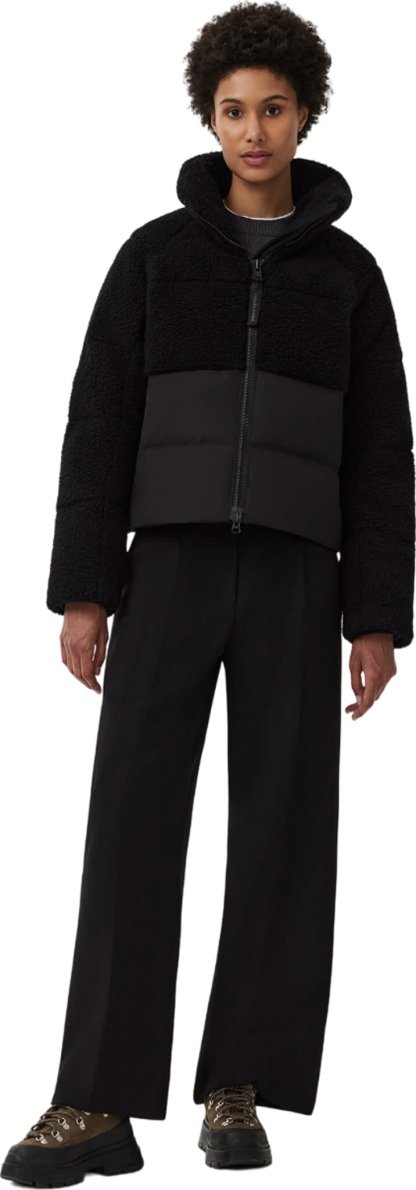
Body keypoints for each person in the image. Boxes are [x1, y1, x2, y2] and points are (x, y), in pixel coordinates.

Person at [2, 0, 414, 1182]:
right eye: (233, 110)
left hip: (294, 571)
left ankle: (240, 1082)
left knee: (283, 825)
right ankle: (94, 1098)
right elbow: (97, 420)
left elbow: (380, 454)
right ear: (208, 116)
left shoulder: (347, 276)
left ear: (304, 113)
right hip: (170, 563)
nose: (252, 130)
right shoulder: (154, 257)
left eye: (272, 108)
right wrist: (87, 590)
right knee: (130, 821)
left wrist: (374, 613)